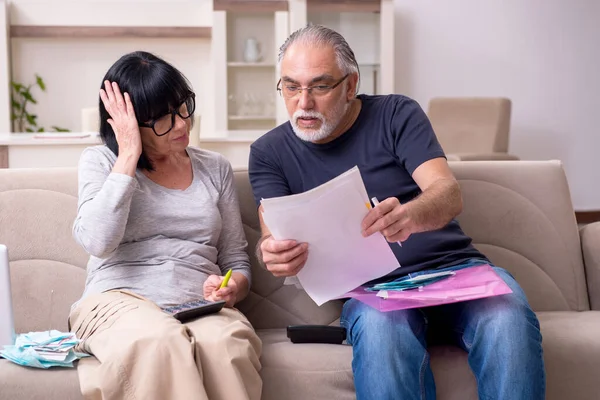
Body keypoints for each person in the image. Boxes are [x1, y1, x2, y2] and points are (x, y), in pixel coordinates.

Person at [248, 25, 545, 400]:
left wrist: (410, 214)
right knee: (382, 331)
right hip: (376, 293)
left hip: (455, 271)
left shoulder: (395, 113)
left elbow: (447, 192)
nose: (303, 103)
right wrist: (273, 253)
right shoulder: (268, 153)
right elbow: (270, 233)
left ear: (350, 84)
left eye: (320, 86)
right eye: (291, 87)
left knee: (508, 318)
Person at [69, 51, 262, 400]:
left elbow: (235, 258)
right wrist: (128, 155)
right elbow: (98, 241)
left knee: (225, 346)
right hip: (117, 300)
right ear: (127, 124)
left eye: (183, 107)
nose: (182, 124)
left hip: (199, 304)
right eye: (162, 119)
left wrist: (234, 288)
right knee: (160, 340)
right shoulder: (100, 162)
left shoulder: (214, 168)